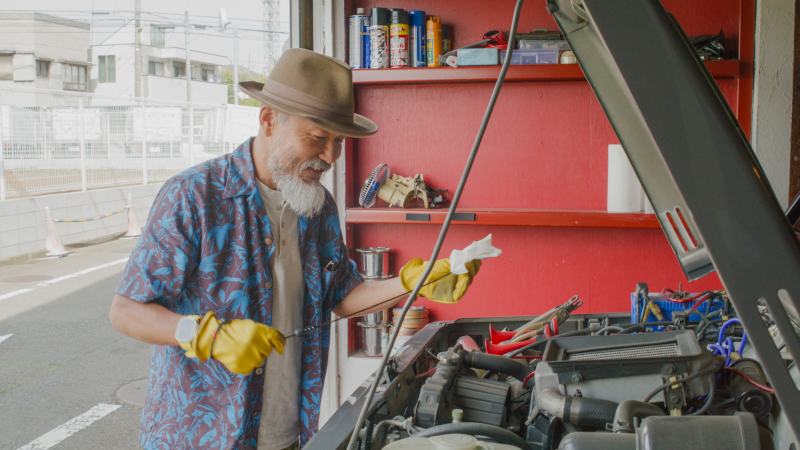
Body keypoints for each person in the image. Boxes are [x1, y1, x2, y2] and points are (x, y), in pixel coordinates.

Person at [109, 48, 481, 450]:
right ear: (269, 121)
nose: (330, 157)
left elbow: (343, 297)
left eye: (338, 141)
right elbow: (126, 310)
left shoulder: (316, 206)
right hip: (197, 438)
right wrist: (204, 336)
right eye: (318, 137)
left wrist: (414, 281)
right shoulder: (194, 195)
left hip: (288, 434)